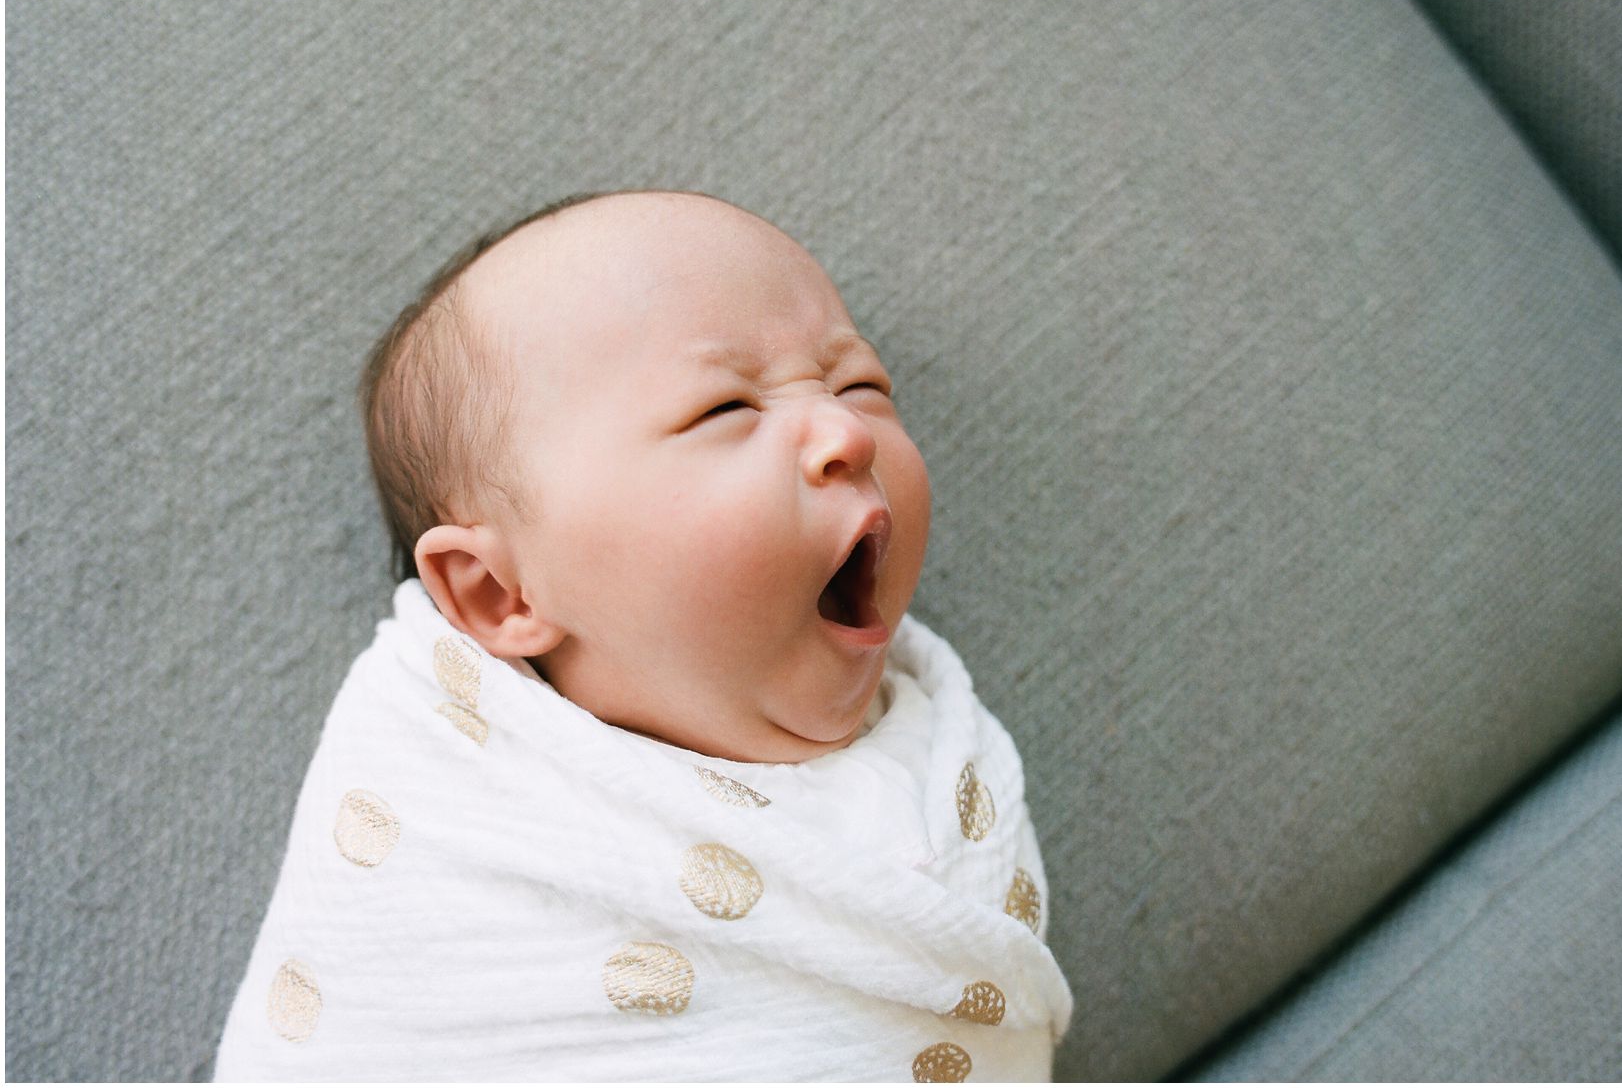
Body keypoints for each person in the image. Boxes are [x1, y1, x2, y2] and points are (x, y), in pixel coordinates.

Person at [214, 190, 1073, 1082]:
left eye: (861, 384)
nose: (847, 431)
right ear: (500, 591)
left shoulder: (934, 756)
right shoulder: (447, 822)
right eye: (726, 409)